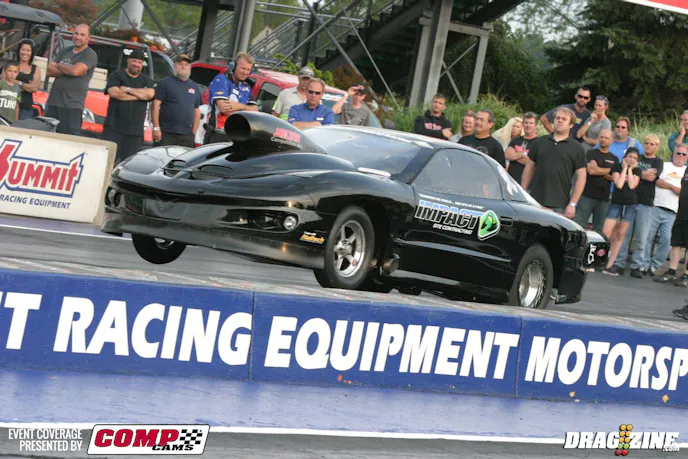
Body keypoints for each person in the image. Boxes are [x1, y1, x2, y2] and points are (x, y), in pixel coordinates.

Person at [521, 107, 587, 217]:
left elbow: (581, 177)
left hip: (559, 204)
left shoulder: (577, 148)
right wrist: (523, 192)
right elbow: (529, 168)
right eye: (557, 118)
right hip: (535, 200)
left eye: (564, 119)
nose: (560, 121)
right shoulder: (540, 142)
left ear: (571, 125)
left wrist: (573, 204)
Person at [614, 134, 663, 277]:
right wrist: (642, 173)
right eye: (646, 143)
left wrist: (638, 172)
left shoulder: (658, 161)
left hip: (646, 202)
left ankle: (636, 266)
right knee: (624, 234)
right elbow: (627, 173)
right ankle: (619, 263)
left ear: (657, 146)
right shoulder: (637, 157)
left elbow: (651, 177)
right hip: (629, 200)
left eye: (652, 144)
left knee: (642, 237)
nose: (648, 146)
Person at [102, 48, 155, 165]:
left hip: (135, 132)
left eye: (139, 62)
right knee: (106, 162)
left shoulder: (146, 80)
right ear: (128, 61)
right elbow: (115, 93)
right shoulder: (116, 75)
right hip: (113, 129)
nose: (136, 64)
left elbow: (150, 94)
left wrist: (127, 89)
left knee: (129, 165)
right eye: (134, 61)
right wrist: (139, 96)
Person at [642, 144, 688, 278]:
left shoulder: (686, 171)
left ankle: (655, 266)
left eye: (684, 154)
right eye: (678, 153)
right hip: (656, 206)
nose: (680, 156)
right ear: (673, 154)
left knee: (667, 241)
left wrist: (676, 189)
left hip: (674, 212)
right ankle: (644, 265)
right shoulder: (665, 165)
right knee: (647, 237)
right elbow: (657, 181)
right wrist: (673, 187)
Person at [45, 24, 98, 135]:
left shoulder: (90, 54)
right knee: (48, 137)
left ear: (88, 38)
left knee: (67, 140)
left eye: (82, 35)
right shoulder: (65, 51)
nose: (78, 37)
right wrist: (69, 69)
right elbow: (49, 70)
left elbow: (75, 71)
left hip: (72, 106)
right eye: (76, 33)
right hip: (53, 103)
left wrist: (59, 66)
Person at [601, 148, 642, 276]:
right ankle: (596, 260)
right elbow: (618, 184)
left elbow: (632, 185)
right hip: (616, 203)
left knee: (620, 235)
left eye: (635, 158)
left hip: (630, 205)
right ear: (625, 157)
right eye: (630, 156)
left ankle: (609, 265)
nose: (632, 159)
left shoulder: (637, 171)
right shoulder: (617, 167)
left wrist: (630, 170)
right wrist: (624, 169)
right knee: (606, 232)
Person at [573, 128, 619, 233]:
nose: (603, 139)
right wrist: (609, 170)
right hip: (587, 196)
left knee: (598, 230)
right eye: (601, 137)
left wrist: (598, 169)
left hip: (604, 199)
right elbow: (591, 171)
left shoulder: (614, 159)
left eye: (606, 138)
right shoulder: (591, 153)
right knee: (578, 226)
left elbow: (614, 178)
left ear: (611, 140)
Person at [206, 52, 258, 143]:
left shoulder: (246, 87)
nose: (245, 72)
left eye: (248, 69)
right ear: (233, 66)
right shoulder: (221, 80)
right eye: (243, 68)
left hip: (237, 136)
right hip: (218, 134)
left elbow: (255, 110)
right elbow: (225, 109)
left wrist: (239, 106)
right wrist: (246, 110)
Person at [151, 54, 201, 147]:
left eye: (186, 64)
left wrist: (193, 133)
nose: (183, 66)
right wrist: (156, 128)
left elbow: (197, 111)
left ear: (190, 67)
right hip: (166, 133)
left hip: (186, 135)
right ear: (175, 66)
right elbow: (155, 105)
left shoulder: (194, 86)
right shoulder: (165, 82)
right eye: (180, 64)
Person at [504, 112, 537, 185]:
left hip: (528, 184)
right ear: (523, 124)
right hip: (510, 181)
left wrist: (515, 155)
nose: (528, 125)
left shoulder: (538, 142)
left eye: (531, 123)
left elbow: (532, 163)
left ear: (536, 126)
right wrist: (524, 154)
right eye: (526, 123)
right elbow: (507, 155)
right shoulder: (515, 140)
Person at [15, 38, 41, 120]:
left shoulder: (35, 69)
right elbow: (5, 81)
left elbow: (34, 88)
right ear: (19, 51)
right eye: (23, 50)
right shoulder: (11, 64)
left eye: (28, 50)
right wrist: (27, 86)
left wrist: (17, 83)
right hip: (9, 105)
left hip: (26, 108)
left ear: (32, 53)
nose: (25, 53)